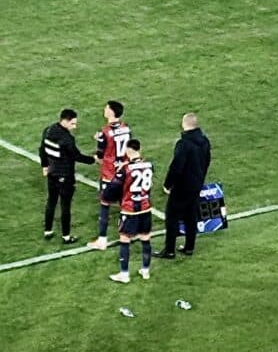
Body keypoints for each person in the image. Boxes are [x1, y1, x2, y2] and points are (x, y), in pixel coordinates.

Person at [154, 112, 211, 259]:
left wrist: (168, 184)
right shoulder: (205, 141)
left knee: (172, 217)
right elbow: (206, 162)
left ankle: (170, 250)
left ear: (184, 124)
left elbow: (176, 167)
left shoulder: (184, 144)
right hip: (196, 184)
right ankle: (189, 247)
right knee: (190, 216)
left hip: (182, 187)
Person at [40, 108, 98, 244]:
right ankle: (66, 236)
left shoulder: (48, 130)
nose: (75, 127)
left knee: (51, 201)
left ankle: (48, 230)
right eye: (72, 123)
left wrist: (44, 165)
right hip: (65, 175)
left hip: (52, 173)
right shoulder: (67, 139)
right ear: (65, 121)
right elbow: (76, 156)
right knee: (65, 206)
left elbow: (42, 149)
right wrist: (93, 160)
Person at [104, 139, 154, 283]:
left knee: (125, 239)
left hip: (130, 209)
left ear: (128, 150)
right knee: (145, 238)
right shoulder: (149, 165)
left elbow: (113, 189)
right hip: (145, 207)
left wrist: (107, 197)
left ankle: (124, 274)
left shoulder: (125, 169)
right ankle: (145, 270)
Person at [87, 100, 131, 251]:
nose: (104, 110)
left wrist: (99, 143)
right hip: (123, 170)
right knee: (125, 203)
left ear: (111, 112)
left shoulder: (104, 132)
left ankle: (102, 240)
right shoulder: (126, 128)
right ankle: (131, 232)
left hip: (109, 173)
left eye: (106, 108)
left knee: (105, 205)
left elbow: (100, 155)